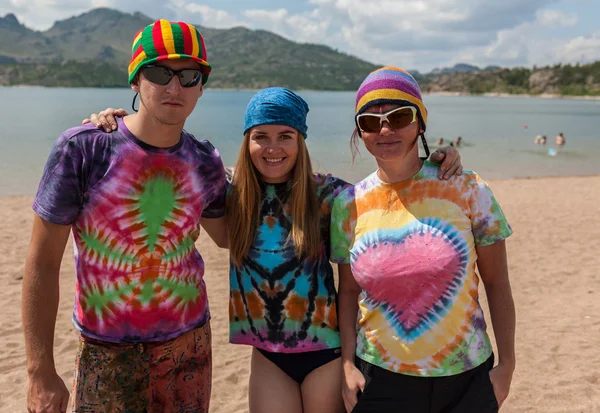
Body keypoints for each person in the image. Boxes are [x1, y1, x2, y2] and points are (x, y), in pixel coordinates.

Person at [85, 86, 463, 412]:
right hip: (268, 356)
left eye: (286, 136)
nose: (272, 147)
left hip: (325, 353)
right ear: (247, 141)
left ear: (300, 141)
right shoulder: (227, 191)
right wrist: (117, 126)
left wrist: (435, 160)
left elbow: (389, 192)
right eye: (260, 136)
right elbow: (162, 155)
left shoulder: (328, 196)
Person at [22, 20, 228, 413]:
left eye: (189, 75)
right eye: (158, 72)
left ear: (202, 86)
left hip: (190, 347)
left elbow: (229, 236)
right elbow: (42, 263)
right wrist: (39, 371)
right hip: (108, 352)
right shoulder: (84, 150)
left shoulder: (205, 161)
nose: (174, 87)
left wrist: (276, 174)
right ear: (135, 79)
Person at [331, 66, 516, 413]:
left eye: (399, 116)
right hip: (379, 378)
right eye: (370, 121)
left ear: (420, 123)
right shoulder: (348, 204)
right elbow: (349, 292)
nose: (385, 128)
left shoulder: (467, 187)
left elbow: (496, 281)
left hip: (467, 378)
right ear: (360, 132)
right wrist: (346, 364)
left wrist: (506, 365)